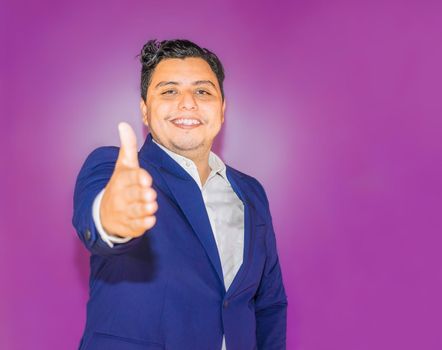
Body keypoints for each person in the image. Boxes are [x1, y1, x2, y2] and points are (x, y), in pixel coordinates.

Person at [72, 39, 287, 350]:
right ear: (145, 111)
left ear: (222, 110)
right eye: (169, 91)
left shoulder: (251, 192)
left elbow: (269, 304)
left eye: (203, 91)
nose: (188, 103)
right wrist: (111, 219)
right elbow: (97, 218)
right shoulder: (112, 166)